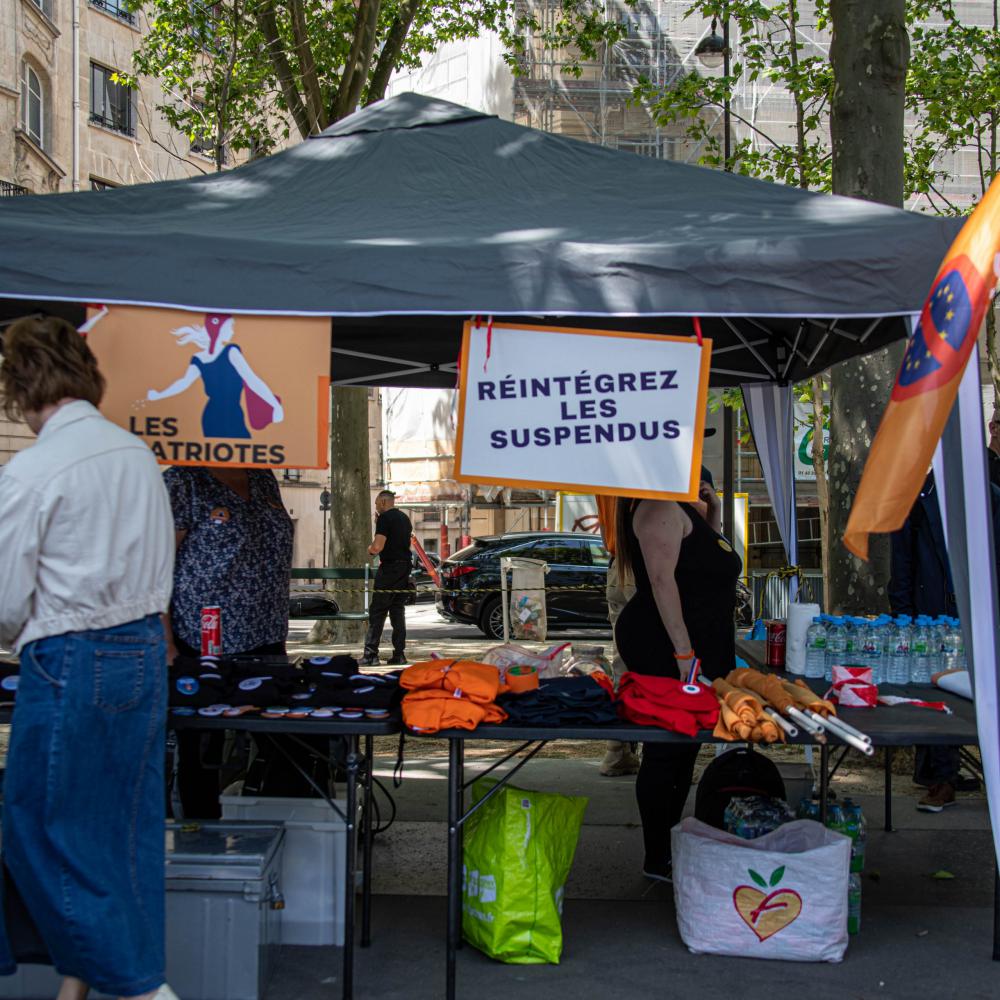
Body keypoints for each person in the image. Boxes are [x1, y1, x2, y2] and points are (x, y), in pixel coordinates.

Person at [0, 316, 178, 1000]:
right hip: (141, 647)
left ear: (21, 386)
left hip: (70, 651)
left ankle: (139, 987)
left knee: (40, 830)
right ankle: (84, 987)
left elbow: (5, 602)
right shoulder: (136, 456)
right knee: (123, 832)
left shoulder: (33, 470)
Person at [614, 466, 742, 882]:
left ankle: (669, 846)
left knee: (686, 745)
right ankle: (657, 857)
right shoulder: (657, 507)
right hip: (664, 643)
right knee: (667, 748)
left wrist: (714, 513)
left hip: (697, 642)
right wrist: (684, 654)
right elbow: (662, 583)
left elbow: (704, 564)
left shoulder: (683, 508)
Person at [163, 464, 294, 817]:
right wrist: (165, 640)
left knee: (282, 745)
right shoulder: (183, 479)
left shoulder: (262, 475)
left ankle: (274, 837)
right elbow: (156, 565)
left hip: (266, 638)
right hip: (199, 641)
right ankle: (198, 833)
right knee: (202, 752)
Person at [889, 470, 1000, 812]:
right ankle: (942, 778)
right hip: (931, 615)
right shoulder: (915, 496)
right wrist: (904, 617)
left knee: (980, 693)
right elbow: (902, 563)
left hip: (977, 612)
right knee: (936, 694)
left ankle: (957, 774)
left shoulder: (989, 494)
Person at [147, 313, 283, 439]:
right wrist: (275, 405)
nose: (232, 331)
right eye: (230, 327)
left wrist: (158, 395)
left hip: (218, 415)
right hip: (226, 416)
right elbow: (251, 379)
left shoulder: (202, 357)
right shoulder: (230, 352)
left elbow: (183, 383)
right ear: (219, 329)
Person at [595, 493, 640, 777]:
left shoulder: (605, 482)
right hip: (645, 565)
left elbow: (604, 531)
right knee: (657, 667)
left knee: (622, 664)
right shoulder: (652, 475)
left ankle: (616, 751)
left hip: (617, 566)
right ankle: (660, 753)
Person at [361, 490, 413, 666]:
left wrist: (369, 549)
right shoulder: (404, 518)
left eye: (376, 503)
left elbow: (377, 547)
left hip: (389, 569)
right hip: (404, 569)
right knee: (397, 611)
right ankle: (399, 654)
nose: (376, 507)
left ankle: (370, 655)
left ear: (383, 502)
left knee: (378, 611)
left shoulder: (385, 519)